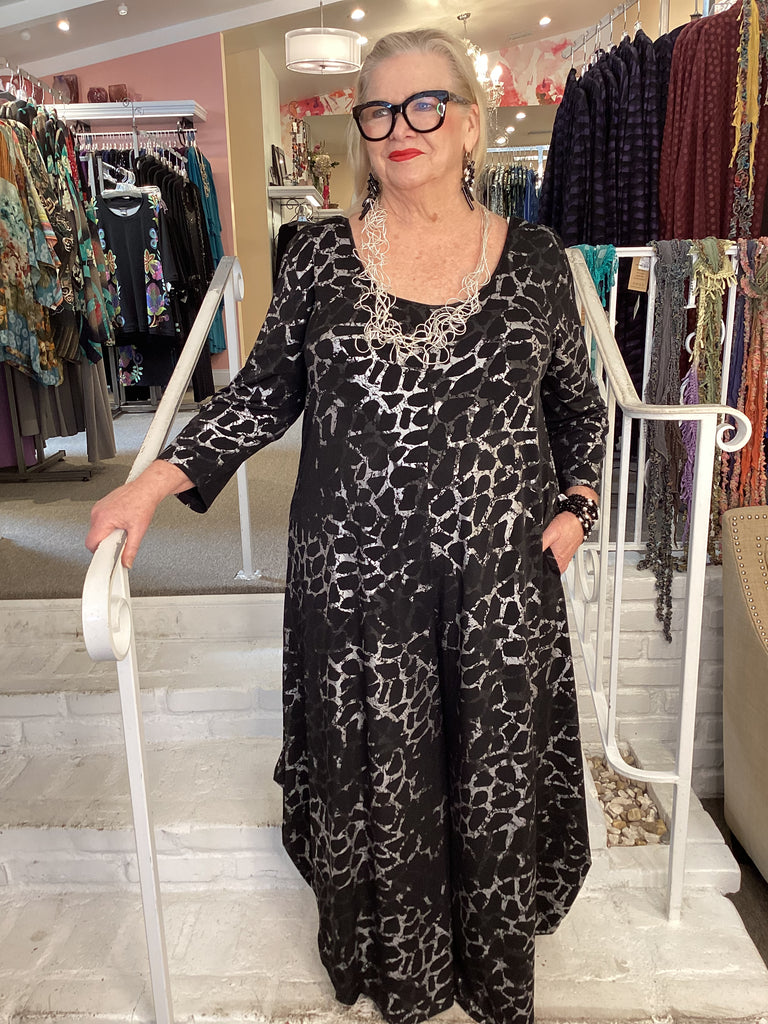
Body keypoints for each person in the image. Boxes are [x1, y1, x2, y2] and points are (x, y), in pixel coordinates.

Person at [86, 28, 607, 1024]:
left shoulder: (539, 261)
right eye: (378, 109)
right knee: (385, 783)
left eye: (426, 105)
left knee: (489, 776)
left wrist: (577, 507)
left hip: (497, 592)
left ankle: (489, 969)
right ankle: (404, 972)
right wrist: (154, 481)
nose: (401, 126)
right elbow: (264, 392)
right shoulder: (321, 255)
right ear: (361, 129)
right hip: (357, 592)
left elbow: (579, 410)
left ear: (470, 124)